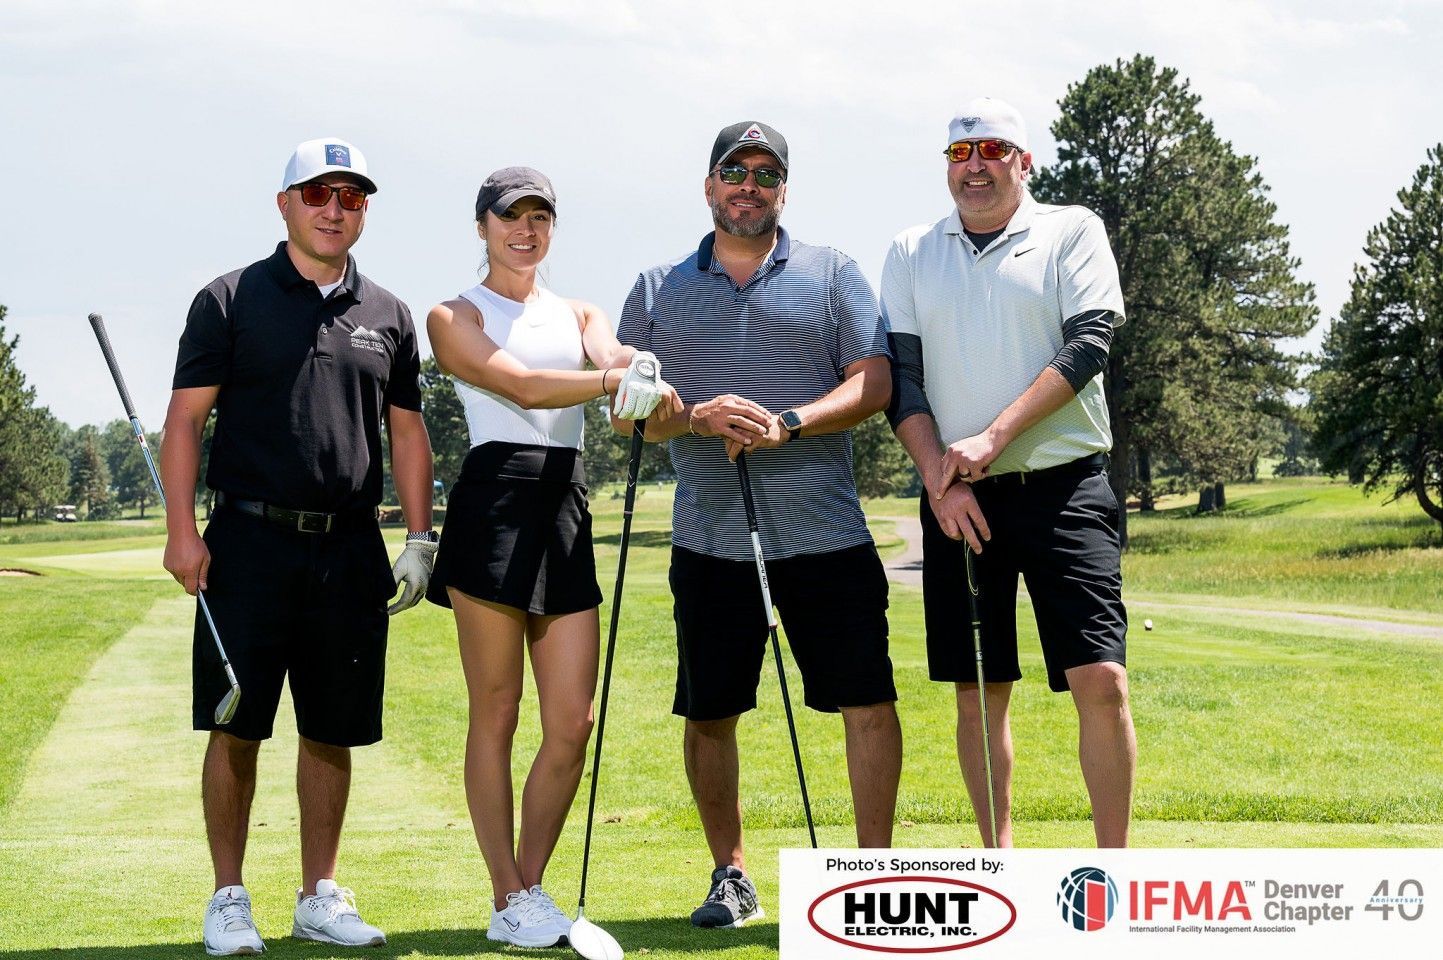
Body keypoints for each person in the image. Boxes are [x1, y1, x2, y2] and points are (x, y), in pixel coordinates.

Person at [616, 121, 903, 929]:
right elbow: (629, 420)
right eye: (733, 171)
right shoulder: (655, 288)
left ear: (784, 189)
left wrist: (788, 422)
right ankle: (729, 875)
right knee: (710, 710)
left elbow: (874, 382)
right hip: (709, 536)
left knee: (865, 702)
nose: (749, 185)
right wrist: (694, 418)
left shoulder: (833, 272)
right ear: (708, 186)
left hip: (824, 534)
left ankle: (872, 881)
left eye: (766, 174)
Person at [162, 137, 436, 955]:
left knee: (332, 727)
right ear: (285, 204)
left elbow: (409, 429)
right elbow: (184, 420)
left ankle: (319, 894)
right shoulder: (229, 298)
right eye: (318, 194)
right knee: (238, 723)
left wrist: (420, 537)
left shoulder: (388, 313)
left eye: (351, 197)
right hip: (248, 540)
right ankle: (229, 898)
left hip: (348, 547)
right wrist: (182, 531)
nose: (335, 209)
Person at [423, 166, 680, 949]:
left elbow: (615, 368)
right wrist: (613, 377)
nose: (525, 231)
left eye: (539, 218)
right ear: (482, 226)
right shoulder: (451, 315)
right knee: (496, 712)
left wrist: (648, 383)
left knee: (573, 719)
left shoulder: (580, 313)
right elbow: (526, 388)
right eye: (510, 217)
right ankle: (507, 887)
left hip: (564, 503)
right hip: (493, 502)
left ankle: (522, 896)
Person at [882, 97, 1136, 848]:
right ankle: (999, 868)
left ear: (1024, 163)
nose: (976, 166)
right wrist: (938, 474)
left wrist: (993, 435)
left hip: (1064, 488)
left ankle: (1113, 873)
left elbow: (1088, 345)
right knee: (979, 690)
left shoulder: (1070, 231)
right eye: (960, 154)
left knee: (1102, 679)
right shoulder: (910, 249)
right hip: (959, 499)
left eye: (993, 151)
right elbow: (902, 375)